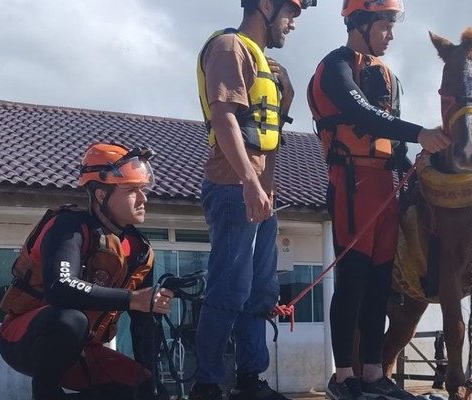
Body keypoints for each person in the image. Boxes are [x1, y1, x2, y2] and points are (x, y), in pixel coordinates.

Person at [307, 1, 450, 399]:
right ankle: (343, 377)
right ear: (361, 22)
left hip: (386, 185)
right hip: (351, 184)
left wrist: (422, 166)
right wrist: (421, 132)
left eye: (391, 26)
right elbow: (364, 115)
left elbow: (390, 141)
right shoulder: (335, 67)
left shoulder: (388, 76)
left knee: (378, 285)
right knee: (351, 281)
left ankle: (373, 373)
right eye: (384, 25)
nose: (390, 34)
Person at [190, 0, 315, 399]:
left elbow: (268, 137)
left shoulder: (266, 65)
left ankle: (250, 380)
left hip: (257, 194)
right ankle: (207, 383)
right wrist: (249, 182)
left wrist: (287, 100)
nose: (293, 23)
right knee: (230, 287)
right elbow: (225, 118)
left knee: (260, 291)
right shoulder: (230, 47)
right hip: (231, 188)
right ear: (265, 5)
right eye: (291, 12)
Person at [0, 142, 168, 400]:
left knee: (147, 390)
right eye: (133, 190)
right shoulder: (69, 226)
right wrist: (131, 300)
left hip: (84, 350)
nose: (144, 199)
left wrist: (152, 380)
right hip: (25, 339)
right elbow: (60, 287)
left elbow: (144, 324)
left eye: (143, 190)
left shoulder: (141, 251)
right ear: (101, 194)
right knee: (71, 319)